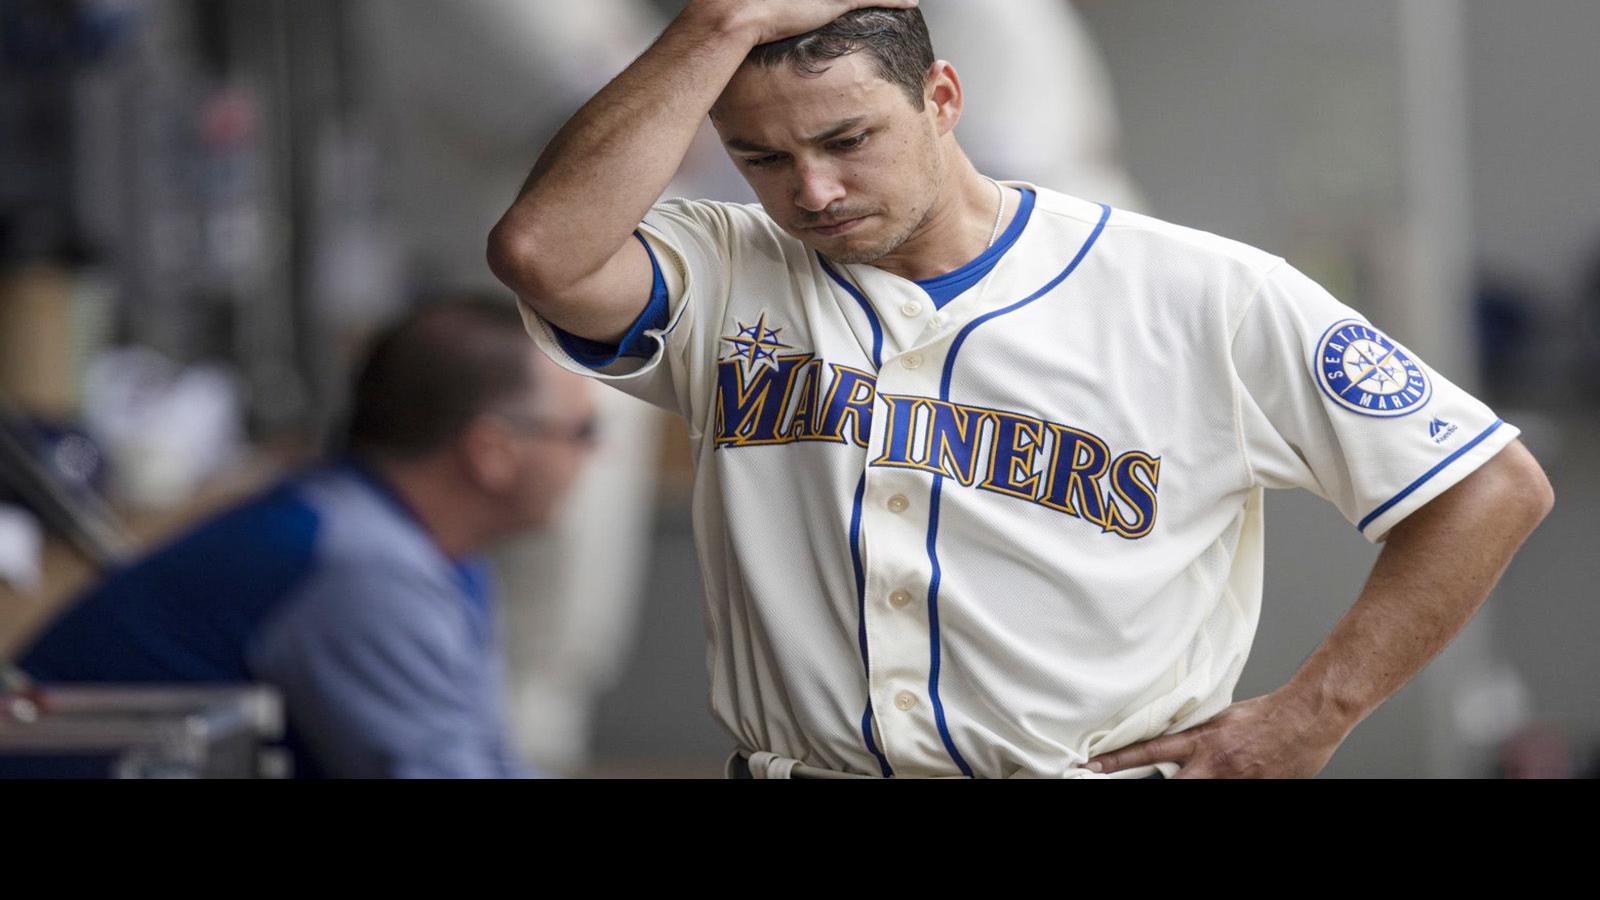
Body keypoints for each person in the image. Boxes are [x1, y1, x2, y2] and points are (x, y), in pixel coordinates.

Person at [487, 3, 1554, 778]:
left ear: (942, 98)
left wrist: (1312, 714)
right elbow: (540, 250)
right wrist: (714, 25)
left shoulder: (1197, 291)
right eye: (762, 157)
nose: (810, 189)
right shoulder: (724, 267)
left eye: (847, 139)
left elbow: (1488, 487)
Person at [17, 299, 597, 778]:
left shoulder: (420, 550)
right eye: (583, 432)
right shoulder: (364, 571)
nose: (595, 455)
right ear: (492, 452)